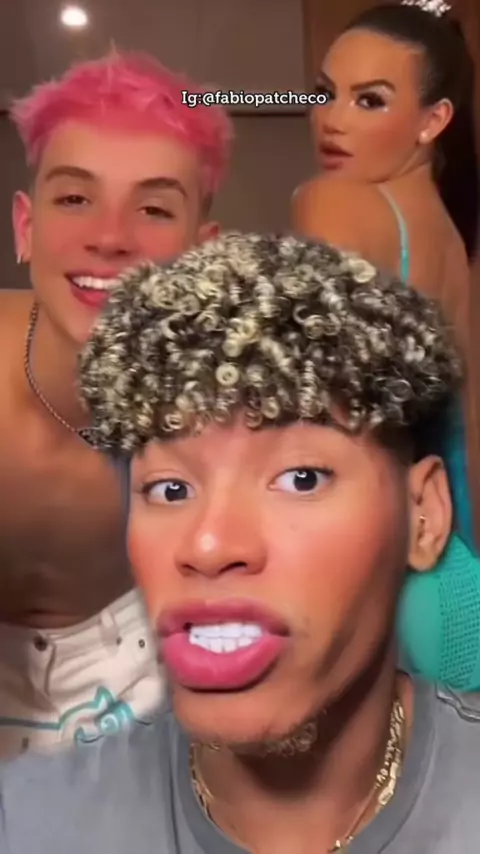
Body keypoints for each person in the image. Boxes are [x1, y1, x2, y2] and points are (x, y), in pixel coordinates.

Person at [0, 231, 479, 853]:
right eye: (170, 489)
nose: (207, 545)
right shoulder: (29, 826)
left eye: (301, 478)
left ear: (424, 516)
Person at [0, 50, 232, 756]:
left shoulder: (228, 410)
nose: (108, 237)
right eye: (75, 199)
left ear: (200, 254)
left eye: (153, 208)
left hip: (143, 678)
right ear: (25, 227)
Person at [291, 0, 480, 691]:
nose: (332, 119)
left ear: (434, 120)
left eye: (369, 100)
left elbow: (314, 418)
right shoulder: (451, 241)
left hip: (383, 582)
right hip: (457, 584)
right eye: (325, 93)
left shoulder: (333, 202)